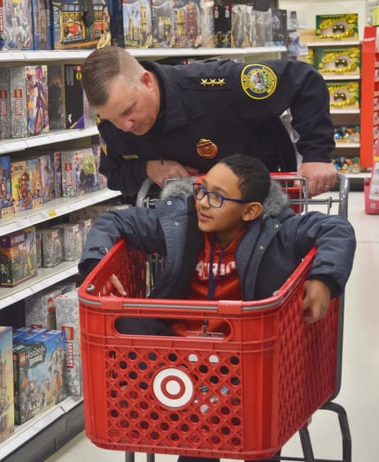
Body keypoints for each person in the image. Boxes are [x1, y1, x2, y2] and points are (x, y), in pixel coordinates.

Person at [78, 154, 355, 462]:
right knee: (124, 320)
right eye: (202, 190)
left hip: (244, 361)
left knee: (259, 433)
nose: (203, 203)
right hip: (177, 355)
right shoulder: (179, 223)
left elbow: (336, 230)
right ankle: (187, 425)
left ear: (250, 211)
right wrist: (95, 265)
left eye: (218, 198)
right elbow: (113, 221)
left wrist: (323, 280)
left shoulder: (278, 232)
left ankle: (225, 436)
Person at [81, 46, 338, 199]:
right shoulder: (111, 119)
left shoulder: (217, 85)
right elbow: (114, 174)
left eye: (129, 111)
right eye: (114, 119)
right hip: (182, 226)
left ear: (147, 81)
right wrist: (148, 169)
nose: (125, 126)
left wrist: (316, 155)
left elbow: (304, 80)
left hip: (260, 206)